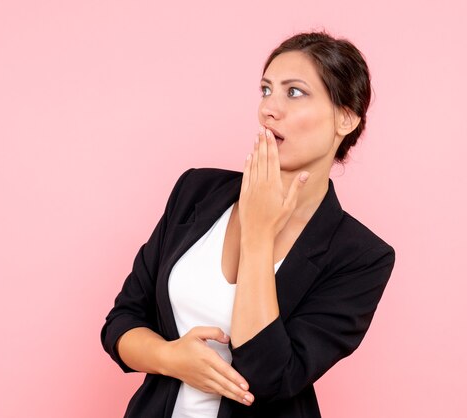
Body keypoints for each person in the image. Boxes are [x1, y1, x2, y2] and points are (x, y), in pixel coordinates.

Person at [101, 31, 395, 418]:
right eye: (265, 90)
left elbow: (268, 378)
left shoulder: (361, 257)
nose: (268, 109)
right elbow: (121, 322)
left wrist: (258, 234)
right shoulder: (196, 189)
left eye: (294, 92)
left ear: (345, 118)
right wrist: (170, 358)